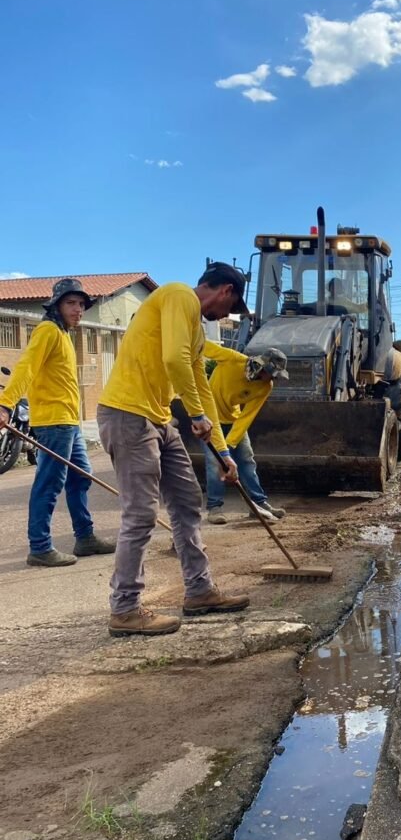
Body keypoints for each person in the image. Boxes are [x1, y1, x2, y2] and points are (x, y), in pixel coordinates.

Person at [97, 263, 251, 638]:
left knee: (185, 503)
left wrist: (223, 451)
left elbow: (199, 385)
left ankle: (199, 591)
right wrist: (195, 415)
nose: (225, 316)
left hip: (159, 419)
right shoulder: (179, 295)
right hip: (127, 414)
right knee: (141, 514)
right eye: (230, 308)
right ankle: (126, 609)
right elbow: (173, 361)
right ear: (226, 291)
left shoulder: (194, 327)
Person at [0, 278, 116, 567]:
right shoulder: (47, 330)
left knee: (81, 475)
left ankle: (85, 537)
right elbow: (26, 366)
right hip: (54, 422)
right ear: (57, 305)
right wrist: (5, 405)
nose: (78, 310)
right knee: (49, 483)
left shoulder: (64, 334)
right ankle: (39, 547)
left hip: (69, 421)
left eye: (81, 304)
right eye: (71, 303)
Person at [203, 341, 289, 524]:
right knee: (214, 464)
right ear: (261, 366)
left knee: (246, 460)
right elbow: (202, 345)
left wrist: (230, 444)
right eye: (270, 373)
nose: (271, 378)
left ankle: (258, 503)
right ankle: (214, 507)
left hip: (233, 420)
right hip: (209, 419)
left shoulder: (266, 387)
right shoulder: (233, 360)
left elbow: (247, 416)